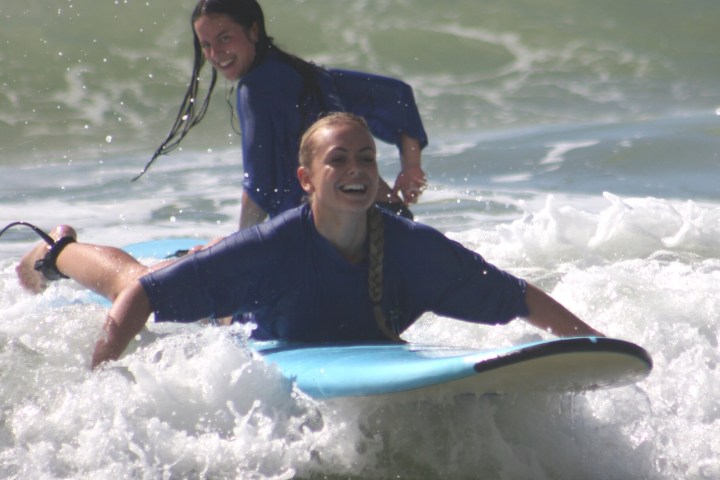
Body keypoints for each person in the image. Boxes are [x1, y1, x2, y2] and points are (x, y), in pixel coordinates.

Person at [10, 113, 603, 370]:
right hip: (237, 305)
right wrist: (101, 384)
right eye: (339, 159)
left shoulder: (411, 247)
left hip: (273, 283)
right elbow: (142, 299)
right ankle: (55, 252)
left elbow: (517, 297)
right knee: (131, 278)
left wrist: (598, 347)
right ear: (306, 179)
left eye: (367, 158)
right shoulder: (273, 246)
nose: (357, 169)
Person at [136, 0, 429, 228]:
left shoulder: (255, 88)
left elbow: (258, 186)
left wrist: (241, 248)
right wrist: (411, 165)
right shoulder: (307, 74)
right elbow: (395, 96)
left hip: (341, 233)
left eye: (225, 38)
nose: (215, 54)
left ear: (253, 30)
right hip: (392, 219)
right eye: (206, 45)